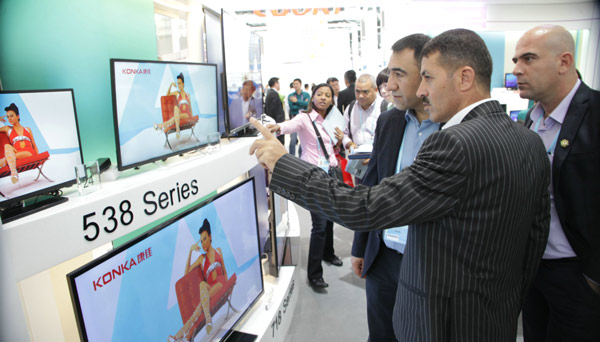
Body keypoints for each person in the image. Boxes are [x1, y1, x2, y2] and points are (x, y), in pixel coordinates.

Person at [249, 28, 551, 341]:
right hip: (492, 320)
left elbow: (364, 207)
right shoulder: (529, 141)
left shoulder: (454, 144)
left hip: (442, 322)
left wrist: (284, 164)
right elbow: (533, 239)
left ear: (464, 78)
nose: (421, 91)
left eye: (429, 78)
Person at [512, 25, 600, 341]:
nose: (517, 69)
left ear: (564, 61)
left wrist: (594, 276)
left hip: (579, 275)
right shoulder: (528, 120)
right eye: (515, 60)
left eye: (529, 59)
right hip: (534, 270)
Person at [351, 33, 438, 342]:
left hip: (429, 264)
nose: (390, 85)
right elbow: (371, 186)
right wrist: (361, 246)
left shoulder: (455, 129)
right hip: (383, 256)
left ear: (427, 74)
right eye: (389, 75)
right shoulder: (390, 122)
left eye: (400, 74)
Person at [269, 83, 343, 289]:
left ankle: (329, 253)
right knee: (319, 225)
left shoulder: (333, 120)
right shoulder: (305, 118)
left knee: (331, 219)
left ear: (331, 100)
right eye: (320, 94)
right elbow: (288, 126)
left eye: (328, 95)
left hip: (332, 174)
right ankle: (314, 275)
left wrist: (338, 142)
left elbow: (332, 148)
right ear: (313, 97)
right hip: (314, 178)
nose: (323, 98)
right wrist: (277, 128)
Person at [169, 219, 228, 342]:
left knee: (206, 297)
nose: (203, 244)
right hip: (210, 289)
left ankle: (181, 332)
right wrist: (190, 251)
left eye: (205, 239)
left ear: (210, 237)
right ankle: (208, 319)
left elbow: (224, 270)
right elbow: (186, 275)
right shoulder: (202, 259)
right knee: (202, 284)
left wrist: (227, 286)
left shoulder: (218, 251)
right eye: (201, 241)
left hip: (220, 284)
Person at [341, 74, 382, 183]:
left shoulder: (384, 107)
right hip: (359, 164)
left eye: (365, 92)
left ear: (375, 90)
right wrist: (349, 143)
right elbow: (344, 133)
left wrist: (376, 156)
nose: (360, 96)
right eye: (357, 91)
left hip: (380, 162)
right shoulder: (351, 108)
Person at [0, 103, 40, 184]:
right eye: (8, 117)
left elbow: (34, 144)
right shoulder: (8, 129)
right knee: (7, 146)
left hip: (28, 153)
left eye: (11, 116)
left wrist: (38, 157)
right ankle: (14, 173)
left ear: (18, 116)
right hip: (17, 154)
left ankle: (3, 162)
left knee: (14, 155)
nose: (9, 119)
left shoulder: (28, 129)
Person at [154, 73, 191, 139]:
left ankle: (159, 126)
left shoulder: (187, 95)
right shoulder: (177, 93)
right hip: (179, 114)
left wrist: (191, 118)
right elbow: (167, 95)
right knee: (176, 108)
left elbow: (190, 108)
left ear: (183, 84)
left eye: (180, 83)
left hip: (186, 114)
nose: (178, 85)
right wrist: (171, 85)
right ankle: (177, 130)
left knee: (175, 117)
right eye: (177, 83)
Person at [287, 78, 310, 156]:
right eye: (294, 84)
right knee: (293, 140)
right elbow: (292, 108)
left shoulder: (306, 95)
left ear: (300, 84)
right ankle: (291, 158)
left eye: (297, 83)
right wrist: (302, 104)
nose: (295, 85)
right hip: (294, 118)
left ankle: (301, 157)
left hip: (304, 118)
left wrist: (296, 101)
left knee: (303, 140)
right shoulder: (291, 95)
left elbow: (307, 105)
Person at [264, 77, 285, 144]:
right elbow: (272, 111)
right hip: (277, 123)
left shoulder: (271, 93)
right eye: (278, 83)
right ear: (276, 83)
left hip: (276, 123)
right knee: (280, 144)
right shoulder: (273, 94)